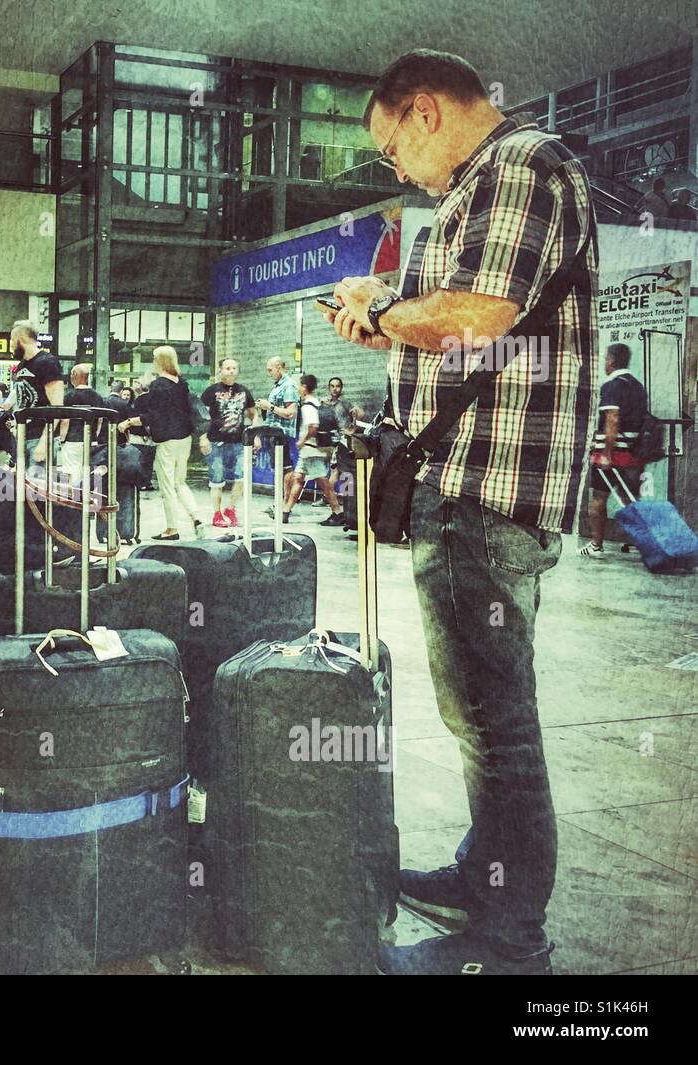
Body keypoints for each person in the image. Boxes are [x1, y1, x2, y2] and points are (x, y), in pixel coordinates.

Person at [322, 49, 597, 975]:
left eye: (391, 147)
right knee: (478, 708)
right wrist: (386, 306)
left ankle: (512, 936)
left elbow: (477, 316)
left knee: (496, 715)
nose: (396, 168)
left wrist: (383, 309)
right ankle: (486, 872)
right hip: (465, 481)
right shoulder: (479, 187)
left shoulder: (522, 167)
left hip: (490, 487)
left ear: (426, 111)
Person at [581, 343, 649, 558]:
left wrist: (606, 454)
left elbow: (612, 419)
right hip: (634, 453)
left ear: (610, 361)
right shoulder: (638, 386)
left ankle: (596, 545)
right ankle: (644, 544)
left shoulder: (611, 385)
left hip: (612, 454)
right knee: (630, 500)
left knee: (598, 498)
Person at [133, 346, 204, 541]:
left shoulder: (159, 385)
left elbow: (154, 415)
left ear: (160, 361)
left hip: (167, 441)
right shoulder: (182, 383)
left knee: (167, 487)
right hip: (185, 438)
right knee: (180, 483)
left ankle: (172, 528)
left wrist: (130, 421)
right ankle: (196, 517)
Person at [199, 357, 257, 528]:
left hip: (239, 443)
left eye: (234, 368)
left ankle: (230, 509)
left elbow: (254, 415)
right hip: (216, 443)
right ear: (220, 371)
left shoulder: (244, 391)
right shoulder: (211, 391)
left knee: (241, 477)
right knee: (216, 479)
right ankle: (217, 513)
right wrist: (203, 438)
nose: (231, 371)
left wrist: (256, 435)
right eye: (228, 368)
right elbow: (201, 418)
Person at [283, 374, 346, 526]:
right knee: (298, 478)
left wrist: (301, 441)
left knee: (323, 482)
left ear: (304, 387)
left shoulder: (308, 405)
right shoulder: (315, 402)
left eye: (298, 385)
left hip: (312, 450)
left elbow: (313, 426)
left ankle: (338, 513)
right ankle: (285, 512)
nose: (297, 388)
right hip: (309, 450)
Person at [6, 320, 66, 464]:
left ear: (20, 340)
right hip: (22, 436)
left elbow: (57, 406)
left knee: (38, 483)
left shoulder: (47, 362)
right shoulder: (21, 366)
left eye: (13, 341)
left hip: (40, 437)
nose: (12, 346)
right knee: (22, 484)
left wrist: (45, 442)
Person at [257, 356, 300, 488]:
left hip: (281, 434)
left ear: (279, 368)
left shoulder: (288, 386)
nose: (269, 374)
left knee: (285, 467)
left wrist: (269, 406)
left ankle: (283, 503)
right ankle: (280, 502)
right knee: (278, 468)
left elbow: (291, 413)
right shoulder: (279, 386)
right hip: (274, 434)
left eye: (270, 370)